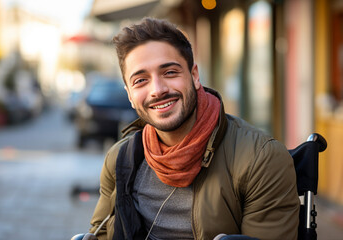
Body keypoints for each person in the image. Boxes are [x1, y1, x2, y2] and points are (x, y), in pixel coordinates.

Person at [89, 17, 300, 240]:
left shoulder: (260, 159)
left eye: (170, 72)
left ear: (194, 76)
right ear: (130, 96)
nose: (157, 90)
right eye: (140, 80)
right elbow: (100, 234)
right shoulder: (120, 159)